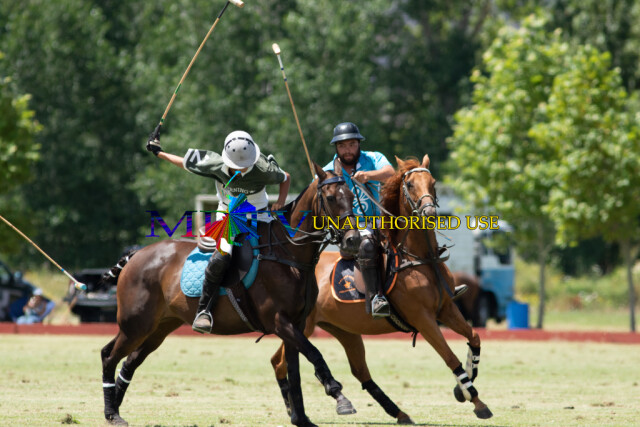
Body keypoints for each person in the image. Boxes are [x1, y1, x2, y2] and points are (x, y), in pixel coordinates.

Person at [147, 130, 290, 333]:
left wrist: (280, 202)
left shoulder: (263, 168)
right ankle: (204, 310)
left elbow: (285, 177)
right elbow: (184, 163)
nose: (241, 169)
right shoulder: (214, 164)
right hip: (229, 216)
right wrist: (159, 153)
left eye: (245, 165)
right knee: (222, 256)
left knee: (286, 245)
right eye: (237, 166)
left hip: (260, 215)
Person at [322, 122, 395, 317]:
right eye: (342, 146)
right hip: (350, 227)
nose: (347, 150)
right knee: (367, 244)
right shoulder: (328, 171)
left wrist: (369, 175)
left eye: (352, 144)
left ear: (359, 144)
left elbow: (391, 174)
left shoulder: (374, 158)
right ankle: (376, 298)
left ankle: (439, 284)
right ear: (336, 147)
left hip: (381, 221)